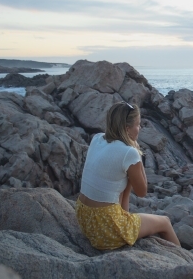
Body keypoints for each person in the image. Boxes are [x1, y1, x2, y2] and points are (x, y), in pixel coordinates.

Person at [75, 101, 180, 250]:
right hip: (105, 228)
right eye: (138, 124)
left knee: (120, 180)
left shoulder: (97, 138)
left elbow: (124, 188)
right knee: (165, 222)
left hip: (84, 218)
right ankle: (185, 263)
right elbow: (142, 192)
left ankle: (123, 223)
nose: (140, 128)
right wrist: (136, 151)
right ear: (127, 128)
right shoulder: (128, 152)